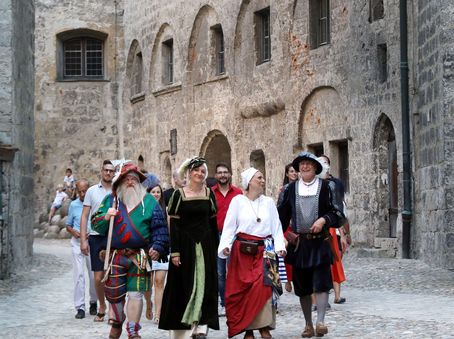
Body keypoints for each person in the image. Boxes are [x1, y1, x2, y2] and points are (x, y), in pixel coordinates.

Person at [91, 163, 169, 339]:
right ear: (119, 182)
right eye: (127, 179)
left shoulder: (149, 202)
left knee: (136, 293)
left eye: (134, 179)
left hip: (139, 257)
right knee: (115, 296)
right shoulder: (111, 201)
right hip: (115, 256)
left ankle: (133, 330)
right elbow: (95, 224)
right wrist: (105, 217)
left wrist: (157, 247)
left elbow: (160, 228)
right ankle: (118, 322)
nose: (131, 182)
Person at [278, 151, 344, 338]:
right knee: (303, 287)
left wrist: (324, 219)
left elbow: (338, 213)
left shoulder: (326, 187)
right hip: (300, 244)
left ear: (316, 167)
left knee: (321, 283)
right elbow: (281, 217)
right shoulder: (289, 190)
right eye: (301, 164)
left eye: (308, 164)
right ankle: (308, 324)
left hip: (320, 242)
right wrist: (280, 237)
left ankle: (321, 321)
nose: (304, 167)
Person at [218, 167, 286, 339]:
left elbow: (276, 227)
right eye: (259, 178)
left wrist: (280, 247)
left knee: (265, 288)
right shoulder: (238, 201)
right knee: (243, 290)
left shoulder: (269, 202)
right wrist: (225, 246)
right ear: (249, 181)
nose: (262, 180)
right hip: (242, 252)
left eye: (263, 178)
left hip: (266, 250)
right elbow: (229, 226)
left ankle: (264, 326)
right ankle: (248, 328)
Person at [159, 156, 219, 339]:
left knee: (206, 285)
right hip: (184, 247)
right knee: (184, 285)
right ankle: (183, 330)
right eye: (196, 170)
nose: (199, 174)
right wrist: (175, 251)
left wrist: (215, 247)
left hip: (205, 246)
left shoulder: (209, 194)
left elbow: (213, 223)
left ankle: (201, 326)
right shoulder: (179, 195)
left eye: (203, 171)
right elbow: (174, 225)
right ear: (189, 172)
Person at [80, 160, 115, 321]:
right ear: (101, 171)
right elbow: (85, 216)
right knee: (98, 277)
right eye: (106, 170)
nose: (108, 173)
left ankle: (114, 308)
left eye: (111, 171)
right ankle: (102, 305)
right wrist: (83, 240)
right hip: (95, 237)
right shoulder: (92, 191)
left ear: (114, 173)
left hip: (114, 236)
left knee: (114, 275)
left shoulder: (117, 192)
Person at [211, 162, 242, 316]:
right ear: (216, 175)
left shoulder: (238, 193)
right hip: (217, 235)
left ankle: (236, 302)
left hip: (234, 236)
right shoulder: (210, 193)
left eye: (225, 172)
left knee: (234, 270)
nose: (222, 175)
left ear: (230, 174)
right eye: (219, 172)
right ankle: (224, 303)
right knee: (220, 272)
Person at [317, 155, 349, 305]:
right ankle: (320, 298)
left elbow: (339, 209)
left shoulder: (335, 184)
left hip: (332, 228)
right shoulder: (310, 186)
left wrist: (344, 233)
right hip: (315, 230)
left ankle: (336, 295)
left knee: (335, 261)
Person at [65, 179, 97, 319]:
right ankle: (80, 307)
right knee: (78, 275)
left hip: (91, 242)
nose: (83, 193)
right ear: (76, 191)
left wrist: (92, 232)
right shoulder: (73, 205)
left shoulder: (94, 203)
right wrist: (74, 232)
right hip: (77, 242)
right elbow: (68, 225)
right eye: (80, 191)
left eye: (85, 190)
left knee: (93, 274)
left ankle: (93, 302)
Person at [142, 173, 169, 324]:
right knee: (148, 283)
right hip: (147, 250)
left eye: (158, 192)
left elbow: (170, 230)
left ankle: (159, 313)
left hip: (163, 249)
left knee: (159, 281)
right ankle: (148, 304)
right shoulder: (144, 209)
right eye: (153, 192)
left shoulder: (166, 210)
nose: (156, 194)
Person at [277, 163, 298, 293]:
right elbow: (280, 207)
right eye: (291, 171)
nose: (294, 173)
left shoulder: (301, 187)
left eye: (296, 171)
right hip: (288, 226)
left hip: (298, 225)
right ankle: (288, 280)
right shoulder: (284, 189)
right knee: (288, 253)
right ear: (287, 174)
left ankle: (297, 278)